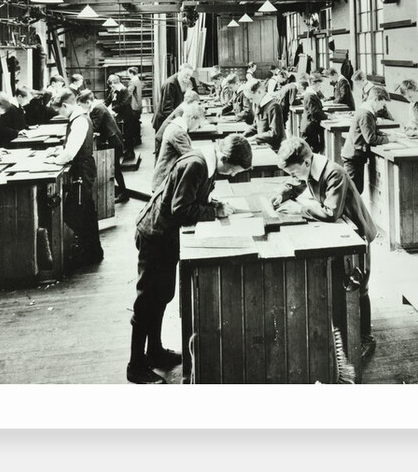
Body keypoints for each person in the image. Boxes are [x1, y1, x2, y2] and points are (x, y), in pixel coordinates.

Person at [127, 134, 253, 384]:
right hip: (155, 235)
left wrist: (214, 204)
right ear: (227, 160)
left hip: (165, 237)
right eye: (235, 171)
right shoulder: (196, 165)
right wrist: (213, 212)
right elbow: (181, 209)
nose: (233, 175)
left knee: (162, 296)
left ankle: (154, 351)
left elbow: (194, 197)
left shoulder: (208, 162)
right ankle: (136, 365)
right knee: (147, 301)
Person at [271, 138, 378, 361]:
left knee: (359, 286)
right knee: (342, 283)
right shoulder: (310, 167)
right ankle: (345, 329)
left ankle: (366, 338)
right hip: (342, 232)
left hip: (357, 233)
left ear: (307, 162)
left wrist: (301, 209)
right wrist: (284, 193)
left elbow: (330, 213)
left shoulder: (334, 173)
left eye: (293, 171)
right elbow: (298, 182)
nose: (293, 176)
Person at [45, 90, 102, 265]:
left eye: (59, 110)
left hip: (82, 170)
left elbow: (70, 152)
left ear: (65, 105)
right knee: (84, 211)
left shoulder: (79, 122)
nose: (59, 114)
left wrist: (56, 160)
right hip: (82, 168)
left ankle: (90, 253)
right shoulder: (79, 118)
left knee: (76, 212)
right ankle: (91, 250)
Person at [77, 90, 129, 204]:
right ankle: (122, 191)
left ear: (88, 102)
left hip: (113, 140)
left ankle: (124, 193)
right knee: (115, 168)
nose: (81, 108)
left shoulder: (97, 109)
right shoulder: (98, 106)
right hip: (114, 138)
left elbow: (95, 126)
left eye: (81, 105)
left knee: (115, 169)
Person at [341, 86, 392, 193]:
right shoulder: (366, 114)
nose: (382, 107)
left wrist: (382, 134)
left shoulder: (366, 111)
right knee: (352, 191)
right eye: (382, 104)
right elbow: (370, 138)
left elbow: (369, 130)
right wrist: (388, 139)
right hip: (353, 157)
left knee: (356, 190)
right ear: (375, 100)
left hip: (355, 155)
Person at [152, 102, 205, 190]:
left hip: (166, 180)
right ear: (193, 118)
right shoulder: (177, 132)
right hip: (163, 184)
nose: (196, 129)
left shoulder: (177, 126)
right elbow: (192, 157)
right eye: (198, 126)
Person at [154, 89, 200, 158]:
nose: (197, 106)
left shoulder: (183, 106)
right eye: (197, 103)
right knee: (163, 157)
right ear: (191, 101)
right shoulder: (182, 110)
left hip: (167, 134)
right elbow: (180, 128)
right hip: (161, 137)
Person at [243, 78, 285, 152]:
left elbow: (274, 133)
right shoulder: (259, 105)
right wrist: (242, 136)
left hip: (275, 149)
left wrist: (254, 138)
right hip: (264, 145)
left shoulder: (274, 106)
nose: (250, 101)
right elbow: (256, 126)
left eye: (251, 98)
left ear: (259, 92)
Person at [152, 63, 197, 132]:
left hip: (173, 118)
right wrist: (181, 121)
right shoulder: (170, 84)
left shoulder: (186, 81)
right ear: (179, 72)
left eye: (189, 76)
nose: (188, 78)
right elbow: (167, 109)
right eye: (186, 75)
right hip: (163, 121)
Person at [108, 74, 136, 160]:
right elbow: (108, 100)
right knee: (122, 134)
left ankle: (130, 152)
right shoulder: (113, 90)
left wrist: (113, 108)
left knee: (128, 135)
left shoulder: (124, 90)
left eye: (112, 85)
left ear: (116, 82)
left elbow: (125, 103)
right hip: (119, 115)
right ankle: (124, 151)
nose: (111, 87)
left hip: (127, 115)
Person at [300, 73, 328, 154]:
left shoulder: (313, 94)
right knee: (306, 152)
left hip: (312, 126)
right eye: (319, 85)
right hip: (309, 127)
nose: (320, 87)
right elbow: (315, 112)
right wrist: (327, 117)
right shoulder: (310, 95)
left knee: (316, 148)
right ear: (313, 83)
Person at [126, 67, 144, 147]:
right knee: (137, 123)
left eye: (128, 73)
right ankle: (138, 139)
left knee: (132, 124)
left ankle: (134, 140)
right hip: (138, 105)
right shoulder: (139, 81)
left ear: (132, 73)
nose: (128, 75)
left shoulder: (132, 82)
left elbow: (129, 93)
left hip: (133, 105)